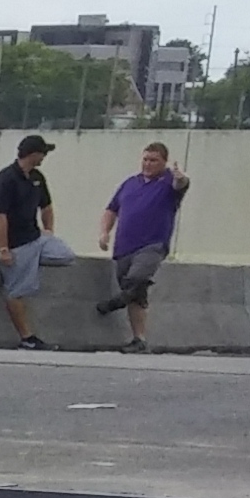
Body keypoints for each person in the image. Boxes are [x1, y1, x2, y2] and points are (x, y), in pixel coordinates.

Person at [95, 140, 192, 349]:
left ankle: (115, 303)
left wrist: (180, 178)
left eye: (154, 160)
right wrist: (104, 233)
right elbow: (111, 209)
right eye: (146, 159)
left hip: (152, 244)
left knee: (137, 278)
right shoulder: (130, 183)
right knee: (136, 294)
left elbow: (181, 184)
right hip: (124, 246)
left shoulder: (168, 182)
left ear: (163, 162)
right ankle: (139, 339)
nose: (148, 164)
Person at [0, 131, 78, 346]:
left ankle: (33, 264)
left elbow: (46, 206)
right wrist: (3, 248)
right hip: (15, 243)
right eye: (42, 153)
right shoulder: (7, 179)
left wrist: (49, 230)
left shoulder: (37, 178)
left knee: (65, 255)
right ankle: (27, 338)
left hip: (35, 237)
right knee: (15, 291)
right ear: (33, 154)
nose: (44, 158)